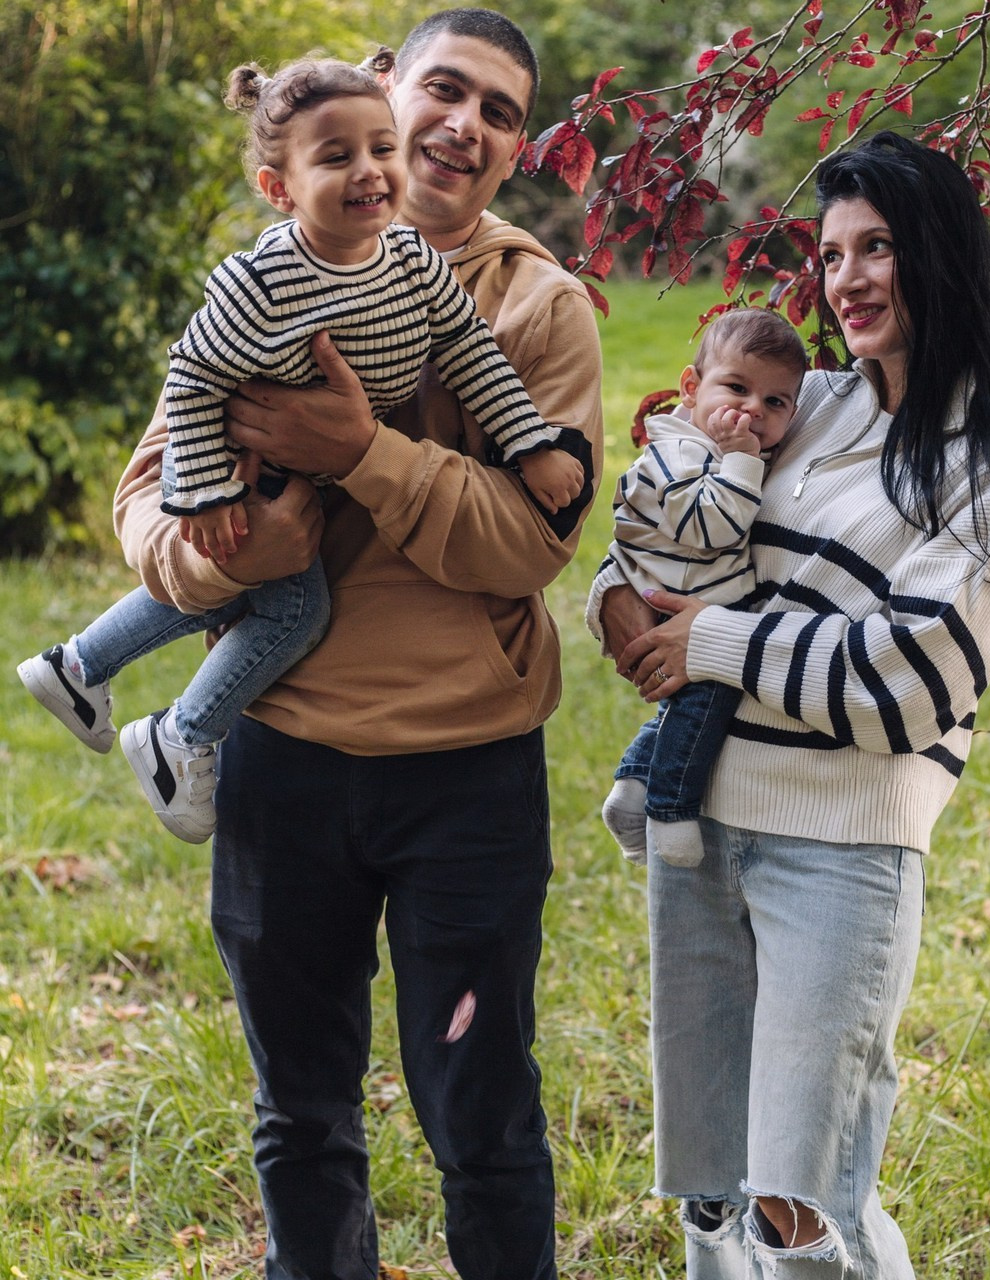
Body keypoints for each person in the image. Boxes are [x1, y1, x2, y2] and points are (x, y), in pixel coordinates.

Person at [113, 9, 603, 1278]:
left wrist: (363, 453)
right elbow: (150, 496)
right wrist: (229, 558)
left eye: (500, 112)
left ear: (517, 149)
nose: (465, 124)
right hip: (282, 757)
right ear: (385, 86)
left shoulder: (540, 308)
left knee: (483, 1114)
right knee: (301, 1110)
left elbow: (532, 542)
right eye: (446, 88)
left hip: (466, 770)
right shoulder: (267, 278)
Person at [591, 130, 990, 1277]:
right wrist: (616, 596)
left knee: (799, 1207)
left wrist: (707, 641)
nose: (845, 278)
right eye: (831, 252)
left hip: (838, 851)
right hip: (702, 822)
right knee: (711, 1190)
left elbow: (908, 682)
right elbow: (674, 516)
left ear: (939, 255)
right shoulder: (802, 402)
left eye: (877, 248)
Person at [17, 49, 582, 847]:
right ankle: (178, 732)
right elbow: (193, 379)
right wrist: (208, 496)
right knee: (293, 607)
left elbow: (470, 353)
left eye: (378, 150)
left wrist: (528, 445)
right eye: (337, 156)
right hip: (243, 472)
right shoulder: (261, 280)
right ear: (279, 188)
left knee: (256, 595)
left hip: (464, 735)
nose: (370, 169)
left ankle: (81, 667)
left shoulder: (426, 267)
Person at [596, 308, 806, 868]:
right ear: (691, 388)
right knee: (706, 700)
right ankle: (668, 806)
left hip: (692, 595)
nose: (752, 410)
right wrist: (742, 461)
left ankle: (633, 784)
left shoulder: (715, 449)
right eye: (736, 388)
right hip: (671, 603)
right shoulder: (678, 454)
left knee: (690, 705)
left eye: (775, 402)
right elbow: (711, 528)